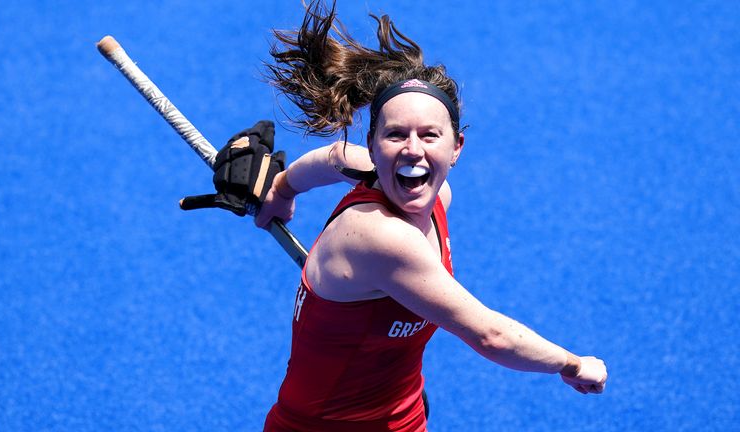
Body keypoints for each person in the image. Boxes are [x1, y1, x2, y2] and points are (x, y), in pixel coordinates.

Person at [256, 2, 607, 431]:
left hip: (401, 418)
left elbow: (335, 157)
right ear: (375, 142)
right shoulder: (379, 238)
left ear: (456, 147)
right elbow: (489, 336)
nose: (413, 150)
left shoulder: (427, 193)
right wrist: (570, 364)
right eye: (396, 135)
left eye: (429, 135)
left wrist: (282, 189)